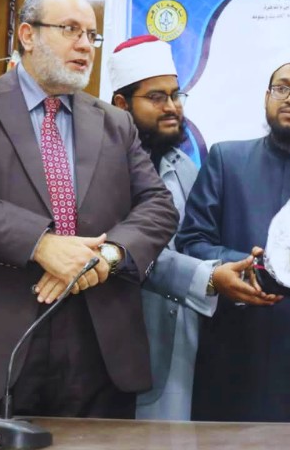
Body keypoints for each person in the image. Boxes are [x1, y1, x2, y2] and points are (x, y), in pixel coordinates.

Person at [0, 0, 180, 418]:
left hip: (96, 345)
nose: (84, 45)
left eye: (91, 35)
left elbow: (158, 206)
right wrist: (41, 243)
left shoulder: (115, 123)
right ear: (27, 35)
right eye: (70, 29)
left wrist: (106, 256)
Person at [176, 47, 290, 422]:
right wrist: (243, 266)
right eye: (281, 88)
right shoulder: (227, 159)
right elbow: (191, 241)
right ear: (266, 97)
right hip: (237, 350)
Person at [107, 35, 262, 420]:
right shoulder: (102, 169)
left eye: (176, 95)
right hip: (123, 345)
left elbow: (198, 242)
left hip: (187, 343)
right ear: (122, 104)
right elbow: (127, 252)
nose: (172, 107)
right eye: (156, 97)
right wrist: (209, 278)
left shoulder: (184, 166)